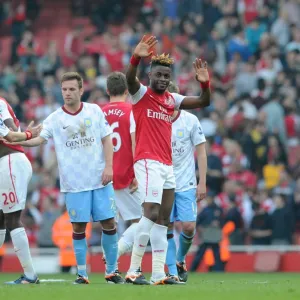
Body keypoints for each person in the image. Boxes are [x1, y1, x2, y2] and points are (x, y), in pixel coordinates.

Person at [12, 72, 124, 284]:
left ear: (81, 90)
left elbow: (107, 139)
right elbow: (38, 140)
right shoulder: (55, 118)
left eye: (72, 89)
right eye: (64, 89)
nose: (68, 93)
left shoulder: (94, 110)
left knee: (110, 223)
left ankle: (112, 271)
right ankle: (82, 274)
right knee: (79, 228)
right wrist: (20, 141)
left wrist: (109, 166)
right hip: (74, 183)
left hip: (100, 179)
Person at [124, 35, 211, 285]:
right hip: (147, 162)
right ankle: (133, 270)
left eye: (166, 76)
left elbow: (204, 101)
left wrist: (205, 85)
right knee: (150, 213)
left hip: (166, 166)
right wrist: (136, 58)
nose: (162, 79)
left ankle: (160, 274)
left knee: (163, 220)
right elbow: (129, 79)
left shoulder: (172, 101)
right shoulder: (140, 95)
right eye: (159, 74)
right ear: (150, 75)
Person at [166, 82, 207, 282]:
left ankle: (180, 258)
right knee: (165, 227)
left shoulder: (190, 120)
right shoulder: (156, 121)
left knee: (189, 226)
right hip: (163, 184)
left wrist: (202, 182)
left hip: (186, 184)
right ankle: (172, 270)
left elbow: (201, 151)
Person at [0, 97, 41, 284]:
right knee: (1, 218)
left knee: (12, 218)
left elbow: (11, 133)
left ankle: (31, 276)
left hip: (10, 162)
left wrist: (28, 135)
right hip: (9, 163)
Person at [102, 72, 142, 263]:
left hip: (103, 176)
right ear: (127, 90)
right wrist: (136, 173)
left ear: (107, 90)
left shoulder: (98, 113)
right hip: (126, 174)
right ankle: (118, 250)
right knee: (144, 220)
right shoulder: (131, 111)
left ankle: (112, 269)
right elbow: (135, 143)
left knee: (110, 225)